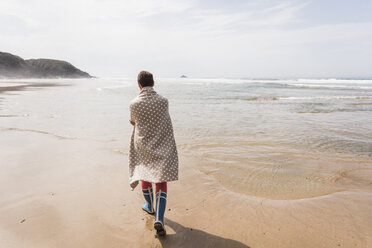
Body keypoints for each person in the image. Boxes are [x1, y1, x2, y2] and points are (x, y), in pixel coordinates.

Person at [128, 71, 179, 236]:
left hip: (143, 144)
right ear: (154, 83)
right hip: (162, 143)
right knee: (161, 180)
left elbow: (133, 121)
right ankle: (159, 217)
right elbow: (161, 119)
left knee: (145, 174)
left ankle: (149, 206)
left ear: (139, 84)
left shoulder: (133, 103)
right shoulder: (164, 101)